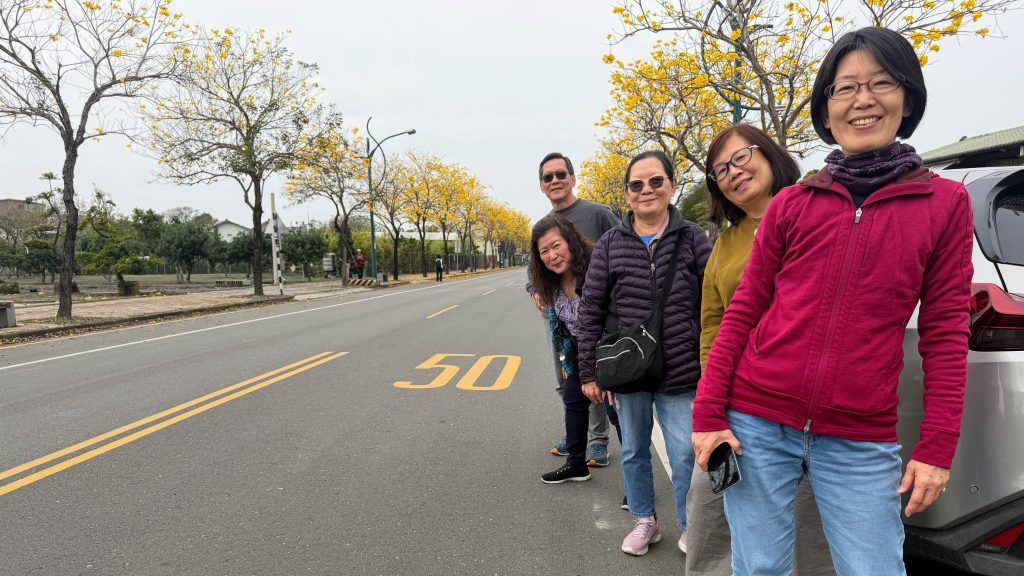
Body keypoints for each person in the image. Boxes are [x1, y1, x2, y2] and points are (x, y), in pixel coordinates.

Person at [692, 27, 974, 576]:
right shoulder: (793, 204)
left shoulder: (945, 203)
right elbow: (742, 313)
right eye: (845, 88)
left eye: (881, 83)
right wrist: (708, 411)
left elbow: (945, 333)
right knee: (758, 568)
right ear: (826, 110)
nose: (863, 99)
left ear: (908, 99)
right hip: (756, 422)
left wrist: (937, 447)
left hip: (860, 438)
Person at [685, 124, 834, 576]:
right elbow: (712, 326)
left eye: (741, 157)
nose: (733, 172)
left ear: (770, 154)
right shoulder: (724, 244)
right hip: (741, 402)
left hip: (812, 402)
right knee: (710, 515)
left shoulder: (821, 211)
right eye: (720, 170)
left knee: (808, 523)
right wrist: (712, 398)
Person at [577, 150, 711, 556]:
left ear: (672, 186)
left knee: (685, 452)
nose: (646, 190)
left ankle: (689, 524)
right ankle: (645, 520)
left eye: (656, 181)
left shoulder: (693, 238)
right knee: (634, 450)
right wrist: (588, 372)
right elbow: (591, 309)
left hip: (681, 368)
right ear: (627, 194)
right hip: (628, 368)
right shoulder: (610, 244)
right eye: (636, 185)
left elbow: (713, 303)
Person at [528, 152, 620, 468]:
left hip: (596, 313)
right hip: (559, 313)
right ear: (541, 185)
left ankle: (598, 441)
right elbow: (534, 268)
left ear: (572, 178)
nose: (555, 181)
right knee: (566, 379)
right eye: (548, 177)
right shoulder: (543, 225)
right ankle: (576, 434)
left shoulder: (598, 214)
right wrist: (533, 289)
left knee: (598, 378)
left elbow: (623, 246)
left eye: (560, 174)